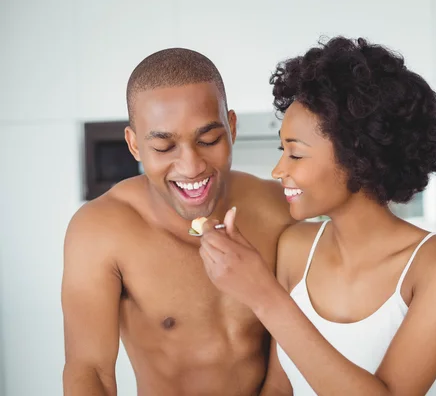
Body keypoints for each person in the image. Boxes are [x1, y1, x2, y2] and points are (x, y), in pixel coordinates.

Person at [198, 36, 436, 396]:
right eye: (282, 150)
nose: (277, 170)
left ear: (356, 157)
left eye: (295, 155)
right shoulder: (294, 246)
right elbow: (279, 388)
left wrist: (262, 295)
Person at [61, 48, 294, 396]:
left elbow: (286, 364)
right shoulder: (99, 230)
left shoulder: (277, 209)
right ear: (134, 145)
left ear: (231, 127)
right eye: (164, 147)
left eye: (208, 140)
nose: (191, 166)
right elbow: (89, 369)